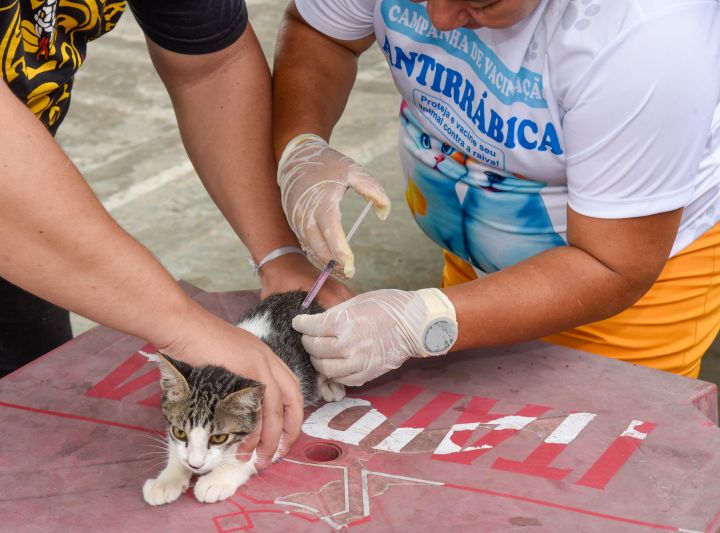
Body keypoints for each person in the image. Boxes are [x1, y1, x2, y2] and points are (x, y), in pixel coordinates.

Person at [0, 0, 350, 465]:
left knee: (15, 440)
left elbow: (211, 65)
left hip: (5, 190)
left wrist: (279, 253)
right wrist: (184, 326)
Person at [273, 0, 720, 385]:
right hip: (476, 259)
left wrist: (420, 320)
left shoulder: (649, 36)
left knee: (595, 460)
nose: (441, 19)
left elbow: (611, 264)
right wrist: (302, 144)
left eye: (482, 3)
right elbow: (322, 31)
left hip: (625, 297)